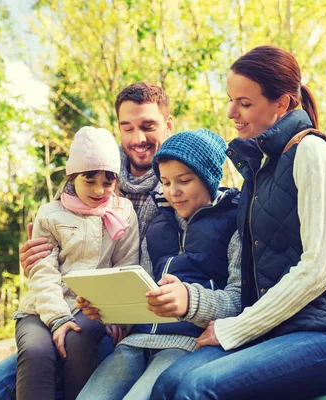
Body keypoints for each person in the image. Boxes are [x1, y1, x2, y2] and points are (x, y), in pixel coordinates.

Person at [0, 82, 326, 399]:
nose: (137, 137)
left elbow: (260, 252)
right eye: (127, 127)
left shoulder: (217, 190)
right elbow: (71, 245)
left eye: (147, 126)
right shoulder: (97, 175)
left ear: (168, 124)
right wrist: (41, 259)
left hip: (172, 332)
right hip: (108, 323)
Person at [150, 46, 326, 399]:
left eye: (244, 103)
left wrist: (235, 329)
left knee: (197, 387)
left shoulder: (310, 151)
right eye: (231, 100)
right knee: (169, 383)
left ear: (281, 103)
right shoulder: (259, 169)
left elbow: (320, 268)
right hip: (280, 329)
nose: (232, 112)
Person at [76, 129, 242, 400]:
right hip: (135, 343)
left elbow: (238, 300)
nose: (173, 192)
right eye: (165, 182)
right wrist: (105, 308)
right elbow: (140, 293)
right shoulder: (157, 224)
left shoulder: (235, 222)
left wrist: (191, 300)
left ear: (209, 179)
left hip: (186, 344)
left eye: (184, 181)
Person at [12, 126, 139, 400]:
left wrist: (119, 316)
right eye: (89, 180)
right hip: (41, 309)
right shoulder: (50, 214)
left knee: (78, 339)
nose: (99, 190)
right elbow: (43, 272)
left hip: (92, 307)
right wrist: (57, 319)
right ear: (73, 177)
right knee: (35, 351)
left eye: (108, 182)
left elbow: (127, 266)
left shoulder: (123, 212)